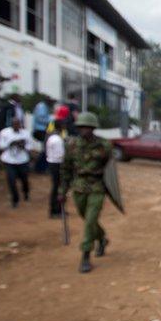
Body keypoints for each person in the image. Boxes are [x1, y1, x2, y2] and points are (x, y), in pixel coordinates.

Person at [60, 112, 113, 273]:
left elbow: (109, 169)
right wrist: (62, 191)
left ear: (93, 128)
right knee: (87, 218)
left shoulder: (104, 145)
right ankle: (102, 238)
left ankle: (85, 255)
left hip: (96, 186)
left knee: (90, 220)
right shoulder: (72, 145)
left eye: (88, 127)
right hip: (79, 186)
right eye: (81, 127)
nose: (84, 130)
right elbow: (66, 169)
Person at [0, 118, 34, 207]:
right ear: (12, 124)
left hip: (22, 160)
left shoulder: (25, 133)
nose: (16, 126)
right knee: (11, 180)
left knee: (24, 179)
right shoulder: (4, 132)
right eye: (14, 124)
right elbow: (0, 146)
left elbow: (30, 146)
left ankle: (26, 192)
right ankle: (15, 200)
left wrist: (23, 145)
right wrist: (11, 143)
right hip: (9, 160)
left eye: (18, 124)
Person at [45, 122, 66, 217]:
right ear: (61, 127)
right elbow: (60, 155)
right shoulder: (57, 139)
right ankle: (55, 210)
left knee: (56, 187)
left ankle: (57, 209)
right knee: (57, 188)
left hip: (52, 163)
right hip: (57, 164)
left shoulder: (51, 137)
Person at [32, 97, 52, 173]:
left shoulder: (43, 106)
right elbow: (40, 118)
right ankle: (39, 168)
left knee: (45, 149)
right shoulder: (42, 106)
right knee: (46, 150)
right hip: (40, 130)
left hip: (41, 130)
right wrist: (50, 120)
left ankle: (41, 168)